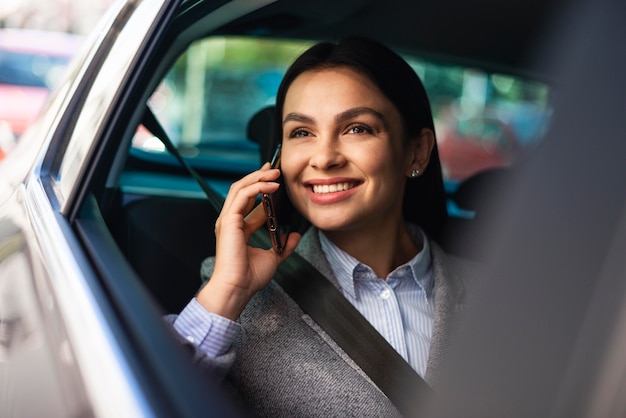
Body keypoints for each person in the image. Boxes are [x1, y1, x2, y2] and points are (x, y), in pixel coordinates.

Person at [168, 36, 471, 417]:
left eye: (357, 128)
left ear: (417, 151)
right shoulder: (234, 298)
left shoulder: (499, 296)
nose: (324, 158)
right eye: (301, 133)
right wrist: (227, 293)